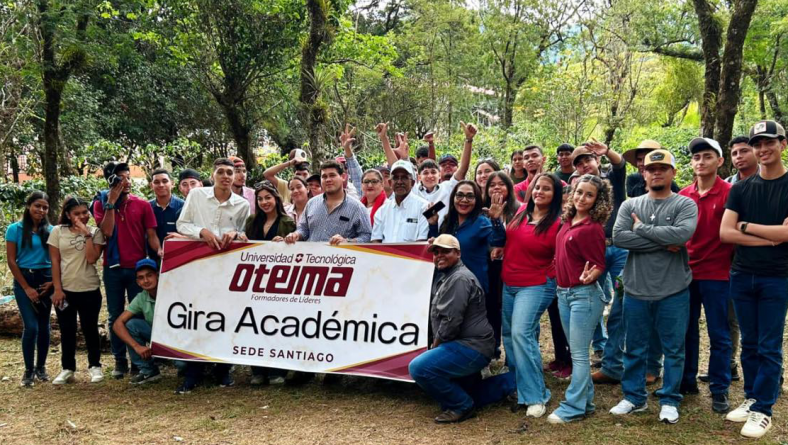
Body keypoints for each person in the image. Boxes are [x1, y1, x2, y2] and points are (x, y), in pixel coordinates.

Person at [609, 149, 697, 424]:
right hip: (636, 289)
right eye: (651, 169)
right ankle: (634, 397)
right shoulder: (630, 205)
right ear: (643, 173)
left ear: (673, 172)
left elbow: (682, 235)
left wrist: (641, 230)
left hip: (674, 289)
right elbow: (619, 238)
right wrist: (663, 241)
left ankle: (669, 399)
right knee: (634, 347)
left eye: (662, 168)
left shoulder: (685, 204)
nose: (656, 173)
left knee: (673, 349)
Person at [719, 120, 788, 439]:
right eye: (757, 144)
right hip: (742, 274)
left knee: (768, 345)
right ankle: (751, 397)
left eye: (769, 142)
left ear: (782, 144)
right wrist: (771, 237)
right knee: (749, 342)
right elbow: (725, 232)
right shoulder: (741, 189)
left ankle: (764, 410)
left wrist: (746, 227)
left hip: (777, 276)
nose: (762, 149)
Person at [409, 235, 514, 423]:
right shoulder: (447, 276)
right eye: (436, 252)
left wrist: (435, 347)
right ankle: (514, 382)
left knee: (419, 367)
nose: (439, 256)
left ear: (458, 253)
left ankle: (462, 406)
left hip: (471, 347)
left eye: (445, 251)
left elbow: (451, 322)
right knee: (466, 392)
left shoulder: (459, 279)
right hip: (467, 345)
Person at [175, 158, 251, 392]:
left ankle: (223, 369)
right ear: (213, 175)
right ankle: (193, 371)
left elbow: (243, 233)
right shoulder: (196, 196)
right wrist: (202, 232)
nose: (226, 176)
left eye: (230, 172)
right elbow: (182, 224)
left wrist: (235, 234)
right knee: (197, 317)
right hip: (198, 266)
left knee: (226, 317)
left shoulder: (242, 204)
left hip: (227, 268)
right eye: (221, 172)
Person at [548, 174, 612, 424]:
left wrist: (590, 275)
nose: (582, 198)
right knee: (576, 351)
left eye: (589, 195)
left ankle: (573, 406)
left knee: (578, 354)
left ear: (598, 200)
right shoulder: (567, 221)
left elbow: (599, 264)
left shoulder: (592, 228)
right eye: (579, 192)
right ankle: (586, 401)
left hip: (583, 296)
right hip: (563, 294)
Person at [677, 137, 734, 413]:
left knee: (719, 333)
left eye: (707, 156)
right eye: (697, 157)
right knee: (686, 329)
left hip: (718, 274)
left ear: (720, 161)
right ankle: (686, 380)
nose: (701, 162)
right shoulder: (683, 195)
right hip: (686, 273)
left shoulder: (730, 193)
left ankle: (720, 388)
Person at [499, 173, 563, 418]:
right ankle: (518, 386)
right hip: (509, 282)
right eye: (537, 187)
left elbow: (564, 253)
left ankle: (536, 395)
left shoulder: (557, 222)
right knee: (510, 335)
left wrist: (552, 275)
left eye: (546, 189)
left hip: (536, 284)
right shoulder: (520, 211)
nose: (539, 192)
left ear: (555, 194)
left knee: (521, 333)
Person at [93, 162, 160, 379]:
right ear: (111, 181)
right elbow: (107, 231)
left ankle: (138, 362)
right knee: (114, 315)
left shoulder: (142, 205)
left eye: (128, 177)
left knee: (136, 314)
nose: (127, 182)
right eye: (120, 178)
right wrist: (111, 203)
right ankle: (119, 360)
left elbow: (151, 235)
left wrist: (160, 251)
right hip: (112, 268)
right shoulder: (100, 203)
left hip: (137, 269)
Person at [49, 197, 106, 385]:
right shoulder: (57, 231)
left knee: (90, 328)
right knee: (67, 330)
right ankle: (67, 368)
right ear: (68, 214)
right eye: (77, 213)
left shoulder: (96, 232)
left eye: (85, 212)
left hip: (89, 288)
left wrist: (87, 234)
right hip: (65, 290)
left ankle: (95, 366)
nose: (82, 216)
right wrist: (57, 289)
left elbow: (91, 258)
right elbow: (55, 261)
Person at [244, 182, 296, 384]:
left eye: (268, 198)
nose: (264, 202)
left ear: (276, 199)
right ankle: (257, 371)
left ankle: (277, 370)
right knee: (254, 324)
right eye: (260, 199)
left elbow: (296, 249)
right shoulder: (251, 221)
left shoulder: (287, 222)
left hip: (278, 281)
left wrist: (283, 243)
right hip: (254, 280)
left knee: (277, 324)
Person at [428, 181, 506, 301]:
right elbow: (438, 250)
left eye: (470, 196)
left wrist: (495, 220)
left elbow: (498, 242)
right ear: (453, 198)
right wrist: (433, 225)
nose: (464, 200)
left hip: (473, 289)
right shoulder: (448, 222)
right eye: (459, 195)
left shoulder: (482, 222)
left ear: (477, 200)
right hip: (446, 286)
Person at [6, 191, 53, 386]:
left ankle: (41, 367)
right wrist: (26, 287)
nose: (41, 210)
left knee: (44, 325)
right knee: (31, 326)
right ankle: (28, 370)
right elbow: (11, 260)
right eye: (37, 206)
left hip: (46, 279)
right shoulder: (14, 229)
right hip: (24, 279)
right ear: (28, 206)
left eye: (45, 207)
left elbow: (57, 259)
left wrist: (53, 283)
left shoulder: (51, 230)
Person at [285, 160, 372, 245]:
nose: (328, 179)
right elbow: (303, 229)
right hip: (311, 254)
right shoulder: (311, 203)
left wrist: (347, 242)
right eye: (324, 176)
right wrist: (296, 235)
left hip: (341, 254)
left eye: (332, 175)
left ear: (343, 177)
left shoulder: (357, 207)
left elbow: (367, 236)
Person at [483, 172, 521, 360]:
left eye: (501, 184)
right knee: (492, 309)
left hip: (514, 267)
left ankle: (513, 357)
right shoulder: (481, 211)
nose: (496, 187)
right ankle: (493, 349)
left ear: (509, 187)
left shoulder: (520, 210)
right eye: (492, 185)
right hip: (490, 267)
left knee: (512, 313)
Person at [112, 259, 165, 384]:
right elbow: (117, 324)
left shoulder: (170, 292)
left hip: (176, 338)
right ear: (138, 282)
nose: (146, 281)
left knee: (183, 366)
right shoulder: (141, 297)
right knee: (130, 325)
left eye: (149, 275)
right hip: (157, 336)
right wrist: (137, 347)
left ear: (158, 275)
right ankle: (148, 371)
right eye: (141, 278)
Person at [371, 160, 430, 243]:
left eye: (404, 177)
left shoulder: (424, 207)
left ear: (413, 183)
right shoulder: (382, 211)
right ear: (390, 183)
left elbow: (422, 242)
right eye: (395, 178)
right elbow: (375, 241)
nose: (399, 182)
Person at [149, 169, 185, 255]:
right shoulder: (147, 207)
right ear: (151, 185)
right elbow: (150, 234)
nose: (161, 185)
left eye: (165, 181)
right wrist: (158, 249)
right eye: (156, 182)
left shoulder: (184, 206)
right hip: (154, 257)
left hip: (180, 254)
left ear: (172, 183)